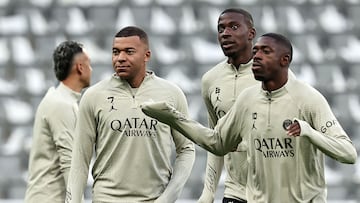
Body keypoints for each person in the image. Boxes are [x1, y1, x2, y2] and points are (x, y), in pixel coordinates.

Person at [141, 33, 358, 202]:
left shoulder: (309, 99)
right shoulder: (247, 99)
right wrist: (172, 118)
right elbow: (217, 143)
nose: (257, 56)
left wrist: (309, 132)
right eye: (256, 51)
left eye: (266, 51)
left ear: (285, 60)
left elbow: (348, 154)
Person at [66, 26, 195, 203]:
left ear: (146, 55)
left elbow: (186, 149)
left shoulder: (172, 94)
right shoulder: (93, 96)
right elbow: (80, 159)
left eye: (129, 51)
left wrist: (167, 198)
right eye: (115, 52)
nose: (120, 58)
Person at [198, 8, 256, 203]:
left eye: (234, 27)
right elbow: (216, 140)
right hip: (235, 193)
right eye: (221, 28)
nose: (225, 33)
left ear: (251, 34)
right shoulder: (210, 80)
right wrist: (208, 192)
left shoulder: (275, 76)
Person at [25, 40, 93, 203]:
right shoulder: (62, 105)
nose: (91, 69)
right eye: (89, 64)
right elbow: (70, 164)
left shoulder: (58, 100)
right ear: (80, 67)